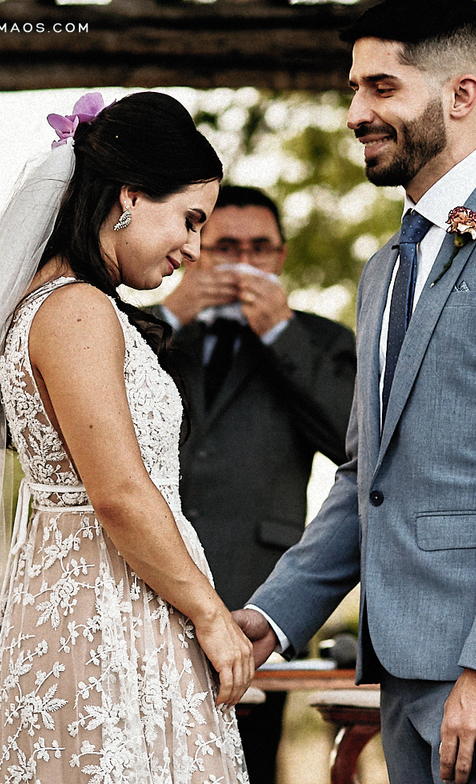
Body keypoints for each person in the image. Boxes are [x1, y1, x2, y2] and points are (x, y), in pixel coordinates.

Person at [233, 0, 476, 783]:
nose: (354, 113)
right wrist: (271, 616)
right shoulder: (384, 268)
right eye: (353, 88)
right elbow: (363, 479)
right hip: (400, 661)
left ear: (462, 95)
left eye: (381, 87)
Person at [0, 91, 253, 784]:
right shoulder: (75, 309)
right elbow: (121, 493)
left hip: (104, 601)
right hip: (105, 611)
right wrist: (211, 617)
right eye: (189, 220)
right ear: (129, 196)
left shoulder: (61, 304)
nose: (193, 248)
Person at [154, 185, 356, 783]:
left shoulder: (320, 342)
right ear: (195, 250)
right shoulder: (152, 333)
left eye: (259, 247)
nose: (243, 261)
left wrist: (281, 335)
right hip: (148, 580)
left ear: (281, 256)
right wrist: (169, 313)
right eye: (224, 247)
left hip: (256, 597)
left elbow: (358, 444)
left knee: (247, 766)